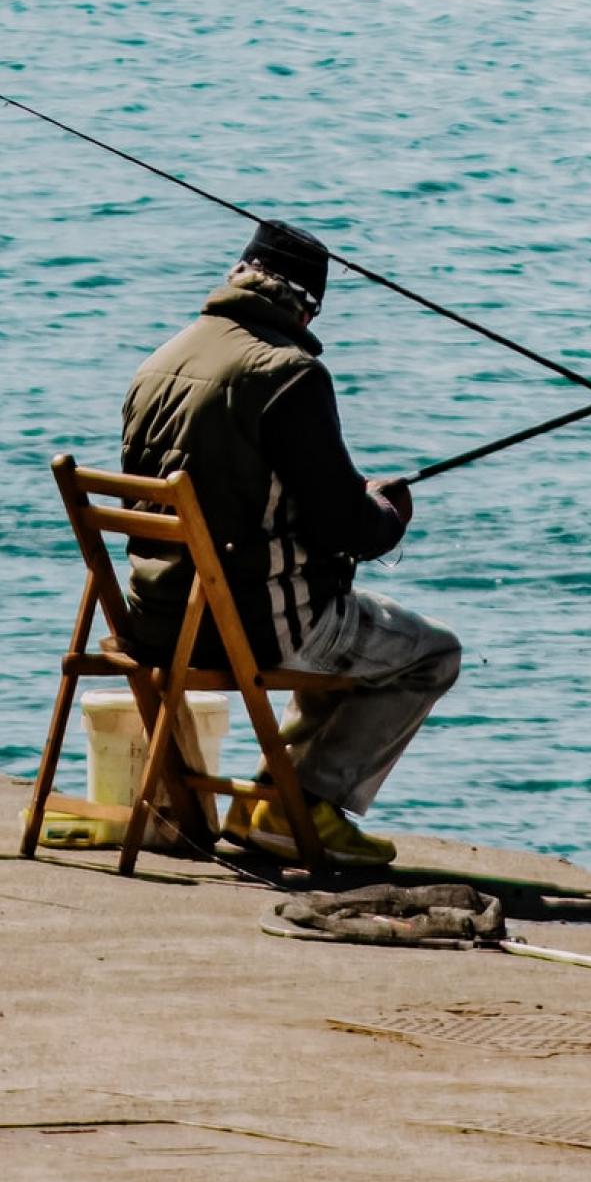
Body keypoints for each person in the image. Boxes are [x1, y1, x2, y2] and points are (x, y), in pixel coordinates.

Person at [121, 219, 461, 866]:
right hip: (245, 625)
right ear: (304, 306)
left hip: (157, 618)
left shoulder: (157, 363)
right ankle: (301, 803)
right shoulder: (288, 375)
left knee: (350, 624)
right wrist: (388, 512)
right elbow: (345, 529)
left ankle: (273, 801)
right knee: (430, 652)